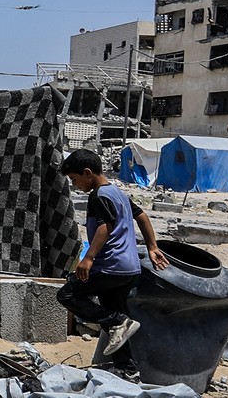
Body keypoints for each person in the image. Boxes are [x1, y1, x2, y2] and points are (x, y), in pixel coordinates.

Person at [57, 149, 170, 358]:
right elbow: (143, 216)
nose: (75, 186)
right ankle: (127, 368)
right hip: (130, 268)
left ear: (87, 172)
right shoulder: (118, 193)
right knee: (117, 328)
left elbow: (104, 227)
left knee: (67, 295)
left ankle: (117, 322)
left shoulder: (98, 195)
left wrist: (88, 258)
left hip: (110, 266)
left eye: (74, 179)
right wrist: (153, 247)